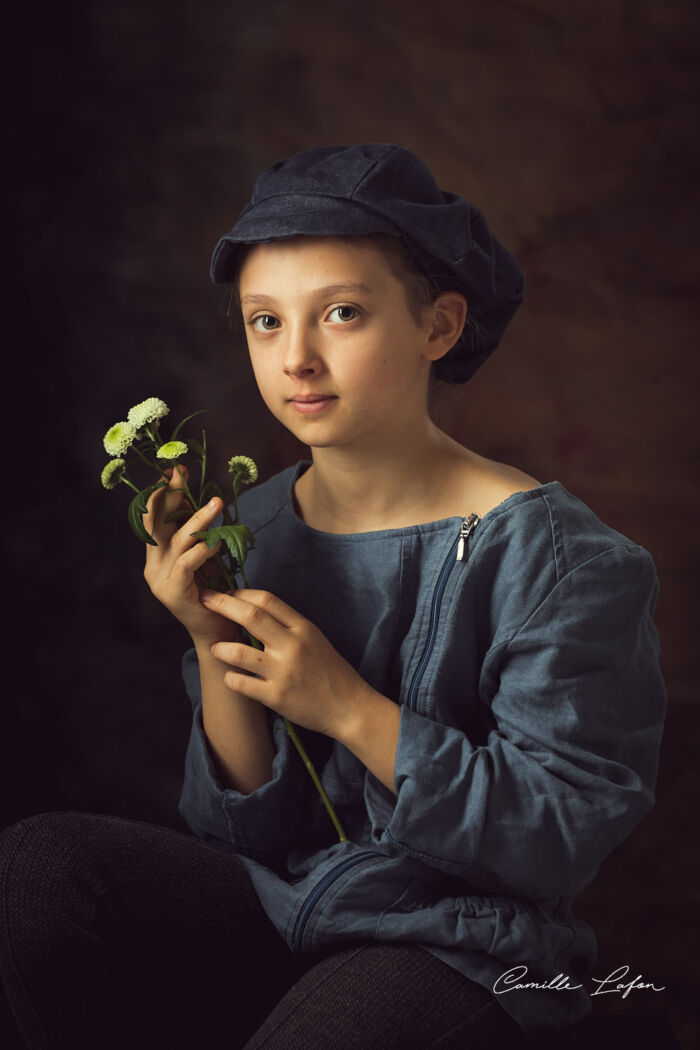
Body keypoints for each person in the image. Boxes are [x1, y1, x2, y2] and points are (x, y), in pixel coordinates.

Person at [0, 143, 666, 1049]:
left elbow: (557, 832)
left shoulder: (562, 558)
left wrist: (351, 709)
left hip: (465, 947)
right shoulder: (252, 528)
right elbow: (237, 833)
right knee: (39, 869)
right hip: (285, 907)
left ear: (438, 327)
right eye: (264, 321)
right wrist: (207, 640)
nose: (297, 359)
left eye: (342, 314)